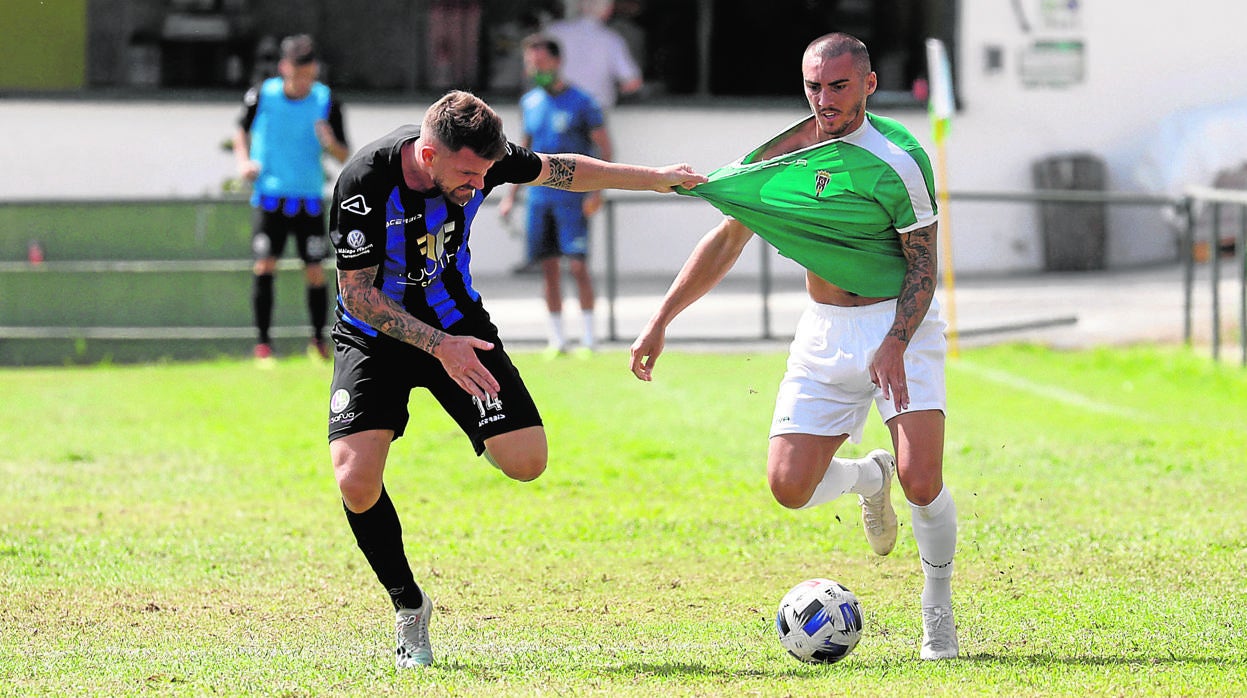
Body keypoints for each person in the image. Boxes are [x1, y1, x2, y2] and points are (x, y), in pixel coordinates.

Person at [326, 90, 703, 669]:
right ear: (428, 155)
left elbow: (565, 169)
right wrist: (438, 348)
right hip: (376, 334)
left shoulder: (486, 159)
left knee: (527, 461)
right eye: (468, 175)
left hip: (457, 323)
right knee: (356, 481)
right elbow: (357, 295)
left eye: (486, 173)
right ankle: (409, 605)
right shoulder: (364, 182)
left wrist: (654, 179)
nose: (480, 185)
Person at [628, 32, 959, 660]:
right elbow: (727, 238)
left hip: (900, 326)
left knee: (922, 481)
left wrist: (895, 341)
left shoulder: (900, 159)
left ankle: (936, 609)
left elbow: (923, 264)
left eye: (838, 86)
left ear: (869, 84)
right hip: (825, 331)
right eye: (813, 87)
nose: (824, 99)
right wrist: (661, 319)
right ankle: (869, 477)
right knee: (788, 487)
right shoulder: (786, 157)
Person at [233, 34, 349, 361]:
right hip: (270, 196)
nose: (304, 82)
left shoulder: (327, 101)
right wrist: (244, 162)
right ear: (285, 68)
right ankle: (263, 345)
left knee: (315, 270)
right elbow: (240, 130)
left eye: (310, 75)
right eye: (300, 74)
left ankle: (318, 343)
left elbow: (344, 154)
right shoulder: (262, 95)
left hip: (308, 197)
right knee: (264, 265)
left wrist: (329, 142)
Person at [499, 35, 612, 355]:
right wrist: (511, 196)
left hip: (573, 198)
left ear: (557, 62)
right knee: (547, 267)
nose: (536, 69)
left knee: (577, 266)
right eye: (531, 64)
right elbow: (522, 152)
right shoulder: (530, 102)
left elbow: (604, 148)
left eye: (541, 62)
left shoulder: (583, 102)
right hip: (540, 199)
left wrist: (597, 191)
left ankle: (589, 338)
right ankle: (557, 340)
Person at [544, 0, 642, 110]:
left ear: (580, 7)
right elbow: (632, 82)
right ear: (608, 10)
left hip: (556, 107)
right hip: (596, 110)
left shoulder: (553, 31)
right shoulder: (611, 39)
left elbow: (536, 70)